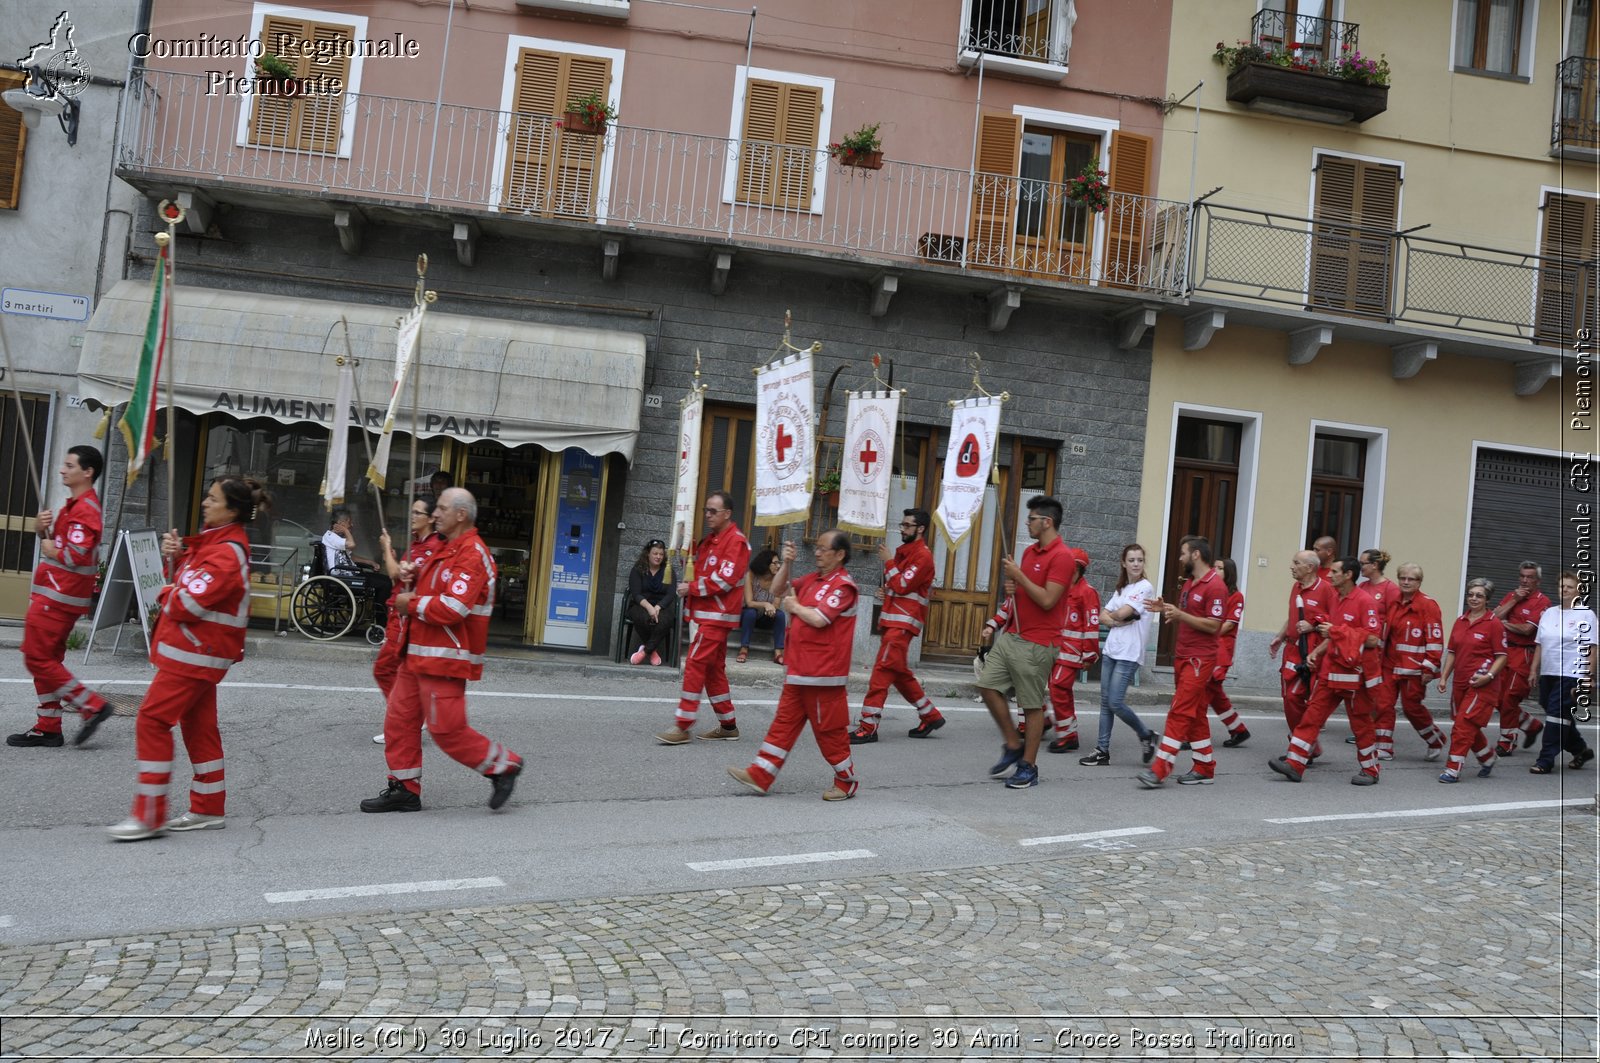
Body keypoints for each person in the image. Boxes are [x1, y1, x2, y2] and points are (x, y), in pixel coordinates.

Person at [107, 477, 267, 841]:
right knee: (198, 726)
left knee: (151, 720)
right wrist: (179, 556)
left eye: (213, 498)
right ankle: (208, 808)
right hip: (199, 653)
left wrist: (168, 590)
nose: (205, 503)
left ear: (232, 509)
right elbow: (195, 586)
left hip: (196, 654)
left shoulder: (226, 551)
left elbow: (188, 602)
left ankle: (148, 815)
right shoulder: (218, 543)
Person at [360, 488, 523, 813]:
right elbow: (439, 586)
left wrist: (412, 602)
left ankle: (503, 765)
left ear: (461, 515)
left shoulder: (472, 553)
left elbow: (454, 606)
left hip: (445, 657)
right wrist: (414, 576)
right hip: (420, 653)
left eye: (443, 509)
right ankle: (404, 788)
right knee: (399, 721)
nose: (436, 514)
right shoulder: (450, 548)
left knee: (447, 731)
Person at [728, 533, 861, 799]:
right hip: (799, 670)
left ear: (840, 554)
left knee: (829, 734)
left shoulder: (843, 586)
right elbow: (778, 590)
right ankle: (760, 774)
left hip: (823, 675)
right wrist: (787, 564)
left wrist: (795, 607)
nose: (817, 552)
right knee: (783, 724)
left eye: (824, 549)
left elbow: (820, 619)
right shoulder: (812, 580)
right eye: (817, 547)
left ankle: (846, 781)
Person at [9, 445, 115, 749]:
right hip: (56, 595)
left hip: (58, 597)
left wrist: (50, 547)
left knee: (36, 657)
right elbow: (64, 545)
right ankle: (48, 727)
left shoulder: (84, 509)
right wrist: (41, 530)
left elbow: (74, 554)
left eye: (69, 465)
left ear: (87, 472)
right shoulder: (75, 505)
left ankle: (91, 705)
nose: (62, 470)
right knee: (46, 659)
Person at [977, 496, 1074, 790]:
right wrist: (1014, 588)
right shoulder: (1030, 552)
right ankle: (1012, 742)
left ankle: (1028, 767)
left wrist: (1019, 576)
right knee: (987, 686)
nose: (1027, 524)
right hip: (1013, 635)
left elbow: (1047, 600)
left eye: (1031, 519)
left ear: (1047, 522)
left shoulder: (1063, 557)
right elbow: (1024, 594)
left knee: (1031, 707)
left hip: (1038, 643)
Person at [1268, 556, 1383, 786]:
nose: (1329, 575)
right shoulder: (1336, 599)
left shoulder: (1365, 601)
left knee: (1361, 724)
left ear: (1348, 575)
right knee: (1311, 717)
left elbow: (1372, 639)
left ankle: (1370, 769)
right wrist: (1317, 653)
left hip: (1355, 676)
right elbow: (1333, 634)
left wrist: (1337, 632)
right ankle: (1295, 764)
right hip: (1331, 671)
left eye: (1335, 572)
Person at [656, 490, 749, 744]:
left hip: (718, 616)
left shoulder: (736, 542)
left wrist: (692, 589)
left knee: (696, 664)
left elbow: (725, 580)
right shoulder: (711, 541)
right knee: (712, 671)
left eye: (713, 511)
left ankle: (683, 725)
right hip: (708, 615)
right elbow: (698, 569)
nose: (707, 515)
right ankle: (728, 725)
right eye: (705, 510)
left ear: (727, 514)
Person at [1138, 536, 1226, 788]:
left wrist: (1180, 614)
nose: (1180, 558)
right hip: (1184, 655)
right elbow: (1189, 616)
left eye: (1183, 553)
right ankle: (1204, 767)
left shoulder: (1215, 586)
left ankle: (1160, 768)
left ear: (1196, 555)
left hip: (1200, 658)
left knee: (1179, 710)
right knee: (1196, 713)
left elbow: (1213, 625)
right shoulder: (1190, 583)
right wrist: (1167, 608)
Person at [851, 508, 944, 743]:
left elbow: (903, 584)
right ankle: (930, 715)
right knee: (899, 673)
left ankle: (868, 726)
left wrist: (889, 562)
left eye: (906, 525)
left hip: (901, 625)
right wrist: (886, 592)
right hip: (895, 622)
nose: (902, 529)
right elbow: (899, 586)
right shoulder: (908, 553)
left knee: (881, 673)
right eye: (902, 525)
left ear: (920, 529)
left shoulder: (922, 555)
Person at [369, 496, 443, 745]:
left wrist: (385, 550)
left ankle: (404, 720)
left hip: (405, 617)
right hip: (398, 613)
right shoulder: (415, 545)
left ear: (431, 518)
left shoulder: (430, 547)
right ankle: (406, 719)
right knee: (398, 673)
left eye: (417, 513)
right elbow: (398, 578)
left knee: (384, 669)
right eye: (412, 512)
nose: (412, 516)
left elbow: (393, 572)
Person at [1080, 544, 1157, 767]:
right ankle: (1102, 750)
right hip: (1112, 650)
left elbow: (1123, 612)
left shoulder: (1145, 588)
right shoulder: (1122, 588)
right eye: (1131, 560)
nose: (1135, 564)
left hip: (1130, 653)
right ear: (1124, 563)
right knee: (1105, 703)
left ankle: (1145, 734)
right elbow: (1102, 616)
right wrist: (1117, 620)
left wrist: (1116, 617)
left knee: (1115, 702)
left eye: (1140, 560)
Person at [1435, 577, 1507, 783]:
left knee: (1463, 726)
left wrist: (1489, 676)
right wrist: (1443, 677)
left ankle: (1453, 769)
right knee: (1465, 724)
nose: (1474, 599)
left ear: (1487, 599)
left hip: (1483, 685)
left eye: (1479, 596)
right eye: (1471, 594)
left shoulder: (1494, 624)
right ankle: (1487, 756)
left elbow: (1502, 656)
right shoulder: (1460, 621)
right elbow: (1452, 652)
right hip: (1460, 682)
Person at [1267, 550, 1336, 762]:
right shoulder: (1296, 587)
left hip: (1312, 651)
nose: (1292, 566)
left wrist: (1313, 625)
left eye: (1296, 563)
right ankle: (1307, 745)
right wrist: (1280, 637)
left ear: (1310, 568)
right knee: (1289, 697)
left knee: (1302, 698)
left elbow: (1334, 621)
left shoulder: (1326, 589)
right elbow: (1293, 617)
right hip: (1291, 649)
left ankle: (1302, 745)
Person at [1377, 563, 1447, 761]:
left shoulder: (1428, 605)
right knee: (1383, 705)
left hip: (1414, 669)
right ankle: (1384, 747)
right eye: (1403, 578)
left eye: (1411, 579)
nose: (1406, 582)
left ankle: (1435, 738)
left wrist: (1429, 667)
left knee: (1412, 708)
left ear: (1419, 582)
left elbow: (1435, 639)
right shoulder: (1393, 602)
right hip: (1389, 665)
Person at [1529, 571, 1596, 774]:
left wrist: (1589, 675)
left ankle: (1545, 760)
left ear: (1578, 590)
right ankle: (1580, 750)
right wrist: (1533, 670)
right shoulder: (1549, 613)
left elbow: (1593, 647)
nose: (1564, 589)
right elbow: (1539, 644)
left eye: (1568, 586)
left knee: (1557, 714)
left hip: (1572, 672)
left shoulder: (1586, 614)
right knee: (1555, 712)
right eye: (1561, 586)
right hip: (1549, 672)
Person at [1492, 561, 1551, 756]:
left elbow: (1528, 630)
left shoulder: (1542, 601)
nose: (1525, 580)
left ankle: (1507, 740)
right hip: (1503, 652)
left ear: (1538, 581)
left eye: (1530, 577)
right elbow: (1493, 618)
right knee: (1496, 698)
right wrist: (1514, 601)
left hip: (1524, 654)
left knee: (1509, 698)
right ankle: (1531, 724)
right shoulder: (1512, 595)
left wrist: (1504, 623)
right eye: (1522, 576)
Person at [1045, 548, 1099, 754]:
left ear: (1078, 569)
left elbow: (1091, 625)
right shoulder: (1064, 588)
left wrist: (1090, 654)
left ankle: (1067, 734)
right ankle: (1068, 733)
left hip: (1073, 653)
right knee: (1060, 690)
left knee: (1058, 687)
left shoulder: (1087, 592)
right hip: (1058, 650)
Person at [1351, 548, 1401, 757]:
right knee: (1363, 694)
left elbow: (1393, 622)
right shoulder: (1362, 586)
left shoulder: (1390, 589)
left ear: (1375, 565)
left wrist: (1385, 650)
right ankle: (1367, 731)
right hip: (1363, 650)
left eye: (1363, 563)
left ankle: (1383, 742)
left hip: (1381, 652)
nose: (1360, 567)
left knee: (1382, 697)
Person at [1206, 557, 1250, 747]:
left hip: (1221, 650)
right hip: (1209, 648)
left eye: (1220, 568)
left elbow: (1228, 624)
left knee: (1201, 693)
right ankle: (1238, 730)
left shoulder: (1236, 596)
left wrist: (1207, 630)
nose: (1215, 570)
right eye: (1214, 567)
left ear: (1229, 572)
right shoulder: (1214, 592)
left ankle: (1190, 734)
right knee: (1215, 695)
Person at [321, 507, 392, 606]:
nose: (352, 524)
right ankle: (380, 617)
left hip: (351, 573)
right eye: (349, 522)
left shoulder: (338, 538)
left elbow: (351, 557)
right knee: (386, 584)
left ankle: (379, 613)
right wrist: (346, 531)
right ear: (341, 524)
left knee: (387, 580)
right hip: (343, 577)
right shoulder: (330, 536)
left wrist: (370, 562)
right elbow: (352, 544)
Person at [626, 539, 677, 666]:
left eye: (661, 554)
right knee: (643, 617)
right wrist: (649, 607)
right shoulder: (638, 569)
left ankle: (644, 652)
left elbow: (671, 593)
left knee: (665, 620)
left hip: (662, 606)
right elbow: (636, 593)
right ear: (648, 554)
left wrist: (658, 607)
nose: (658, 557)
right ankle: (653, 651)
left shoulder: (668, 570)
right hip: (641, 605)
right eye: (655, 553)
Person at [736, 548, 787, 664]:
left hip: (766, 617)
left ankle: (778, 653)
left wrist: (771, 608)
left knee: (780, 615)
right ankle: (744, 649)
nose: (778, 566)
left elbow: (776, 604)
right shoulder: (751, 575)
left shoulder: (779, 580)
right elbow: (749, 602)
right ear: (766, 563)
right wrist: (766, 604)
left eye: (779, 563)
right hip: (748, 617)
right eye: (775, 563)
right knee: (750, 612)